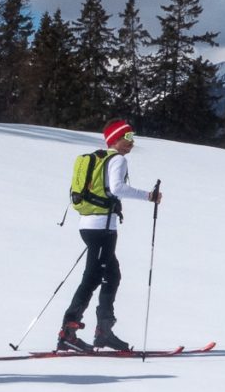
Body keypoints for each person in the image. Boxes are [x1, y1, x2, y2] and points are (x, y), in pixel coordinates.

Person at [58, 119, 162, 352]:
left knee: (111, 275)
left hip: (90, 225)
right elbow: (117, 189)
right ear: (115, 140)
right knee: (94, 277)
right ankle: (71, 331)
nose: (131, 143)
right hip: (103, 227)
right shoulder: (117, 160)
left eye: (132, 139)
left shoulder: (99, 159)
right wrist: (149, 196)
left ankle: (101, 330)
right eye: (127, 138)